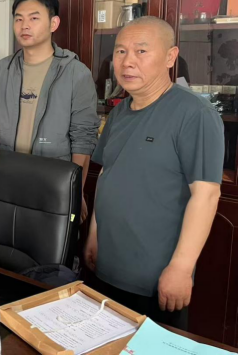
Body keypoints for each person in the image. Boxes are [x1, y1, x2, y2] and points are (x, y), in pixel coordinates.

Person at [84, 16, 224, 330]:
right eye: (120, 51)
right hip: (107, 266)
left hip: (154, 278)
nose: (127, 61)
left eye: (141, 51)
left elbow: (206, 195)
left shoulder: (195, 114)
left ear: (170, 57)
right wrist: (94, 234)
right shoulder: (119, 112)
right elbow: (107, 174)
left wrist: (181, 268)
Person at [0, 0, 99, 222]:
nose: (24, 26)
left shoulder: (76, 73)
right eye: (18, 19)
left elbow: (83, 139)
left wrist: (75, 190)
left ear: (54, 23)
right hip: (6, 175)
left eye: (34, 18)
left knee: (48, 242)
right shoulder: (3, 69)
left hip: (53, 183)